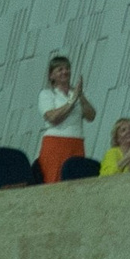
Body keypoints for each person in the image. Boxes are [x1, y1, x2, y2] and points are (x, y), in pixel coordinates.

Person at [34, 52, 97, 184]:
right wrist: (71, 102)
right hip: (56, 142)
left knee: (77, 181)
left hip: (77, 142)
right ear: (52, 75)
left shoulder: (77, 94)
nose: (65, 72)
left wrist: (80, 96)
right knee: (54, 180)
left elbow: (91, 116)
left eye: (67, 68)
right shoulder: (47, 94)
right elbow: (52, 118)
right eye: (60, 69)